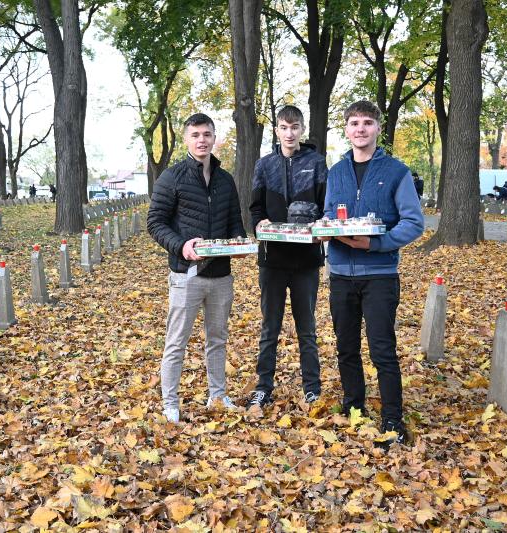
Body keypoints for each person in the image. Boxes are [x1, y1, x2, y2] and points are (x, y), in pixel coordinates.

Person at [321, 100, 423, 448]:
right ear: (346, 130)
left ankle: (392, 418)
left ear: (378, 128)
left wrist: (376, 244)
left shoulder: (397, 171)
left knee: (382, 349)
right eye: (354, 123)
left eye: (367, 122)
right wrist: (324, 229)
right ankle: (354, 407)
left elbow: (413, 222)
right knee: (346, 347)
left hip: (379, 274)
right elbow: (329, 215)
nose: (360, 129)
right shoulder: (335, 172)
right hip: (339, 273)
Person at [147, 112, 246, 423]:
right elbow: (155, 223)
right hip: (185, 275)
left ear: (214, 137)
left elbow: (235, 225)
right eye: (195, 135)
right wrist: (181, 246)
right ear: (187, 139)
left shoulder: (225, 180)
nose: (202, 140)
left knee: (217, 338)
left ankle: (217, 395)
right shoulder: (171, 177)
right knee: (176, 340)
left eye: (207, 134)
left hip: (220, 277)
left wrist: (239, 244)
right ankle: (170, 403)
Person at [247, 105, 327, 410]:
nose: (289, 133)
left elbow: (326, 206)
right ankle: (263, 387)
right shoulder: (264, 165)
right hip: (273, 259)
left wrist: (322, 224)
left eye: (294, 127)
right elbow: (255, 207)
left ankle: (312, 388)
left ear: (302, 129)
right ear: (277, 131)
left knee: (307, 327)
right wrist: (259, 223)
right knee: (270, 327)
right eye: (283, 127)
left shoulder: (317, 163)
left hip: (306, 260)